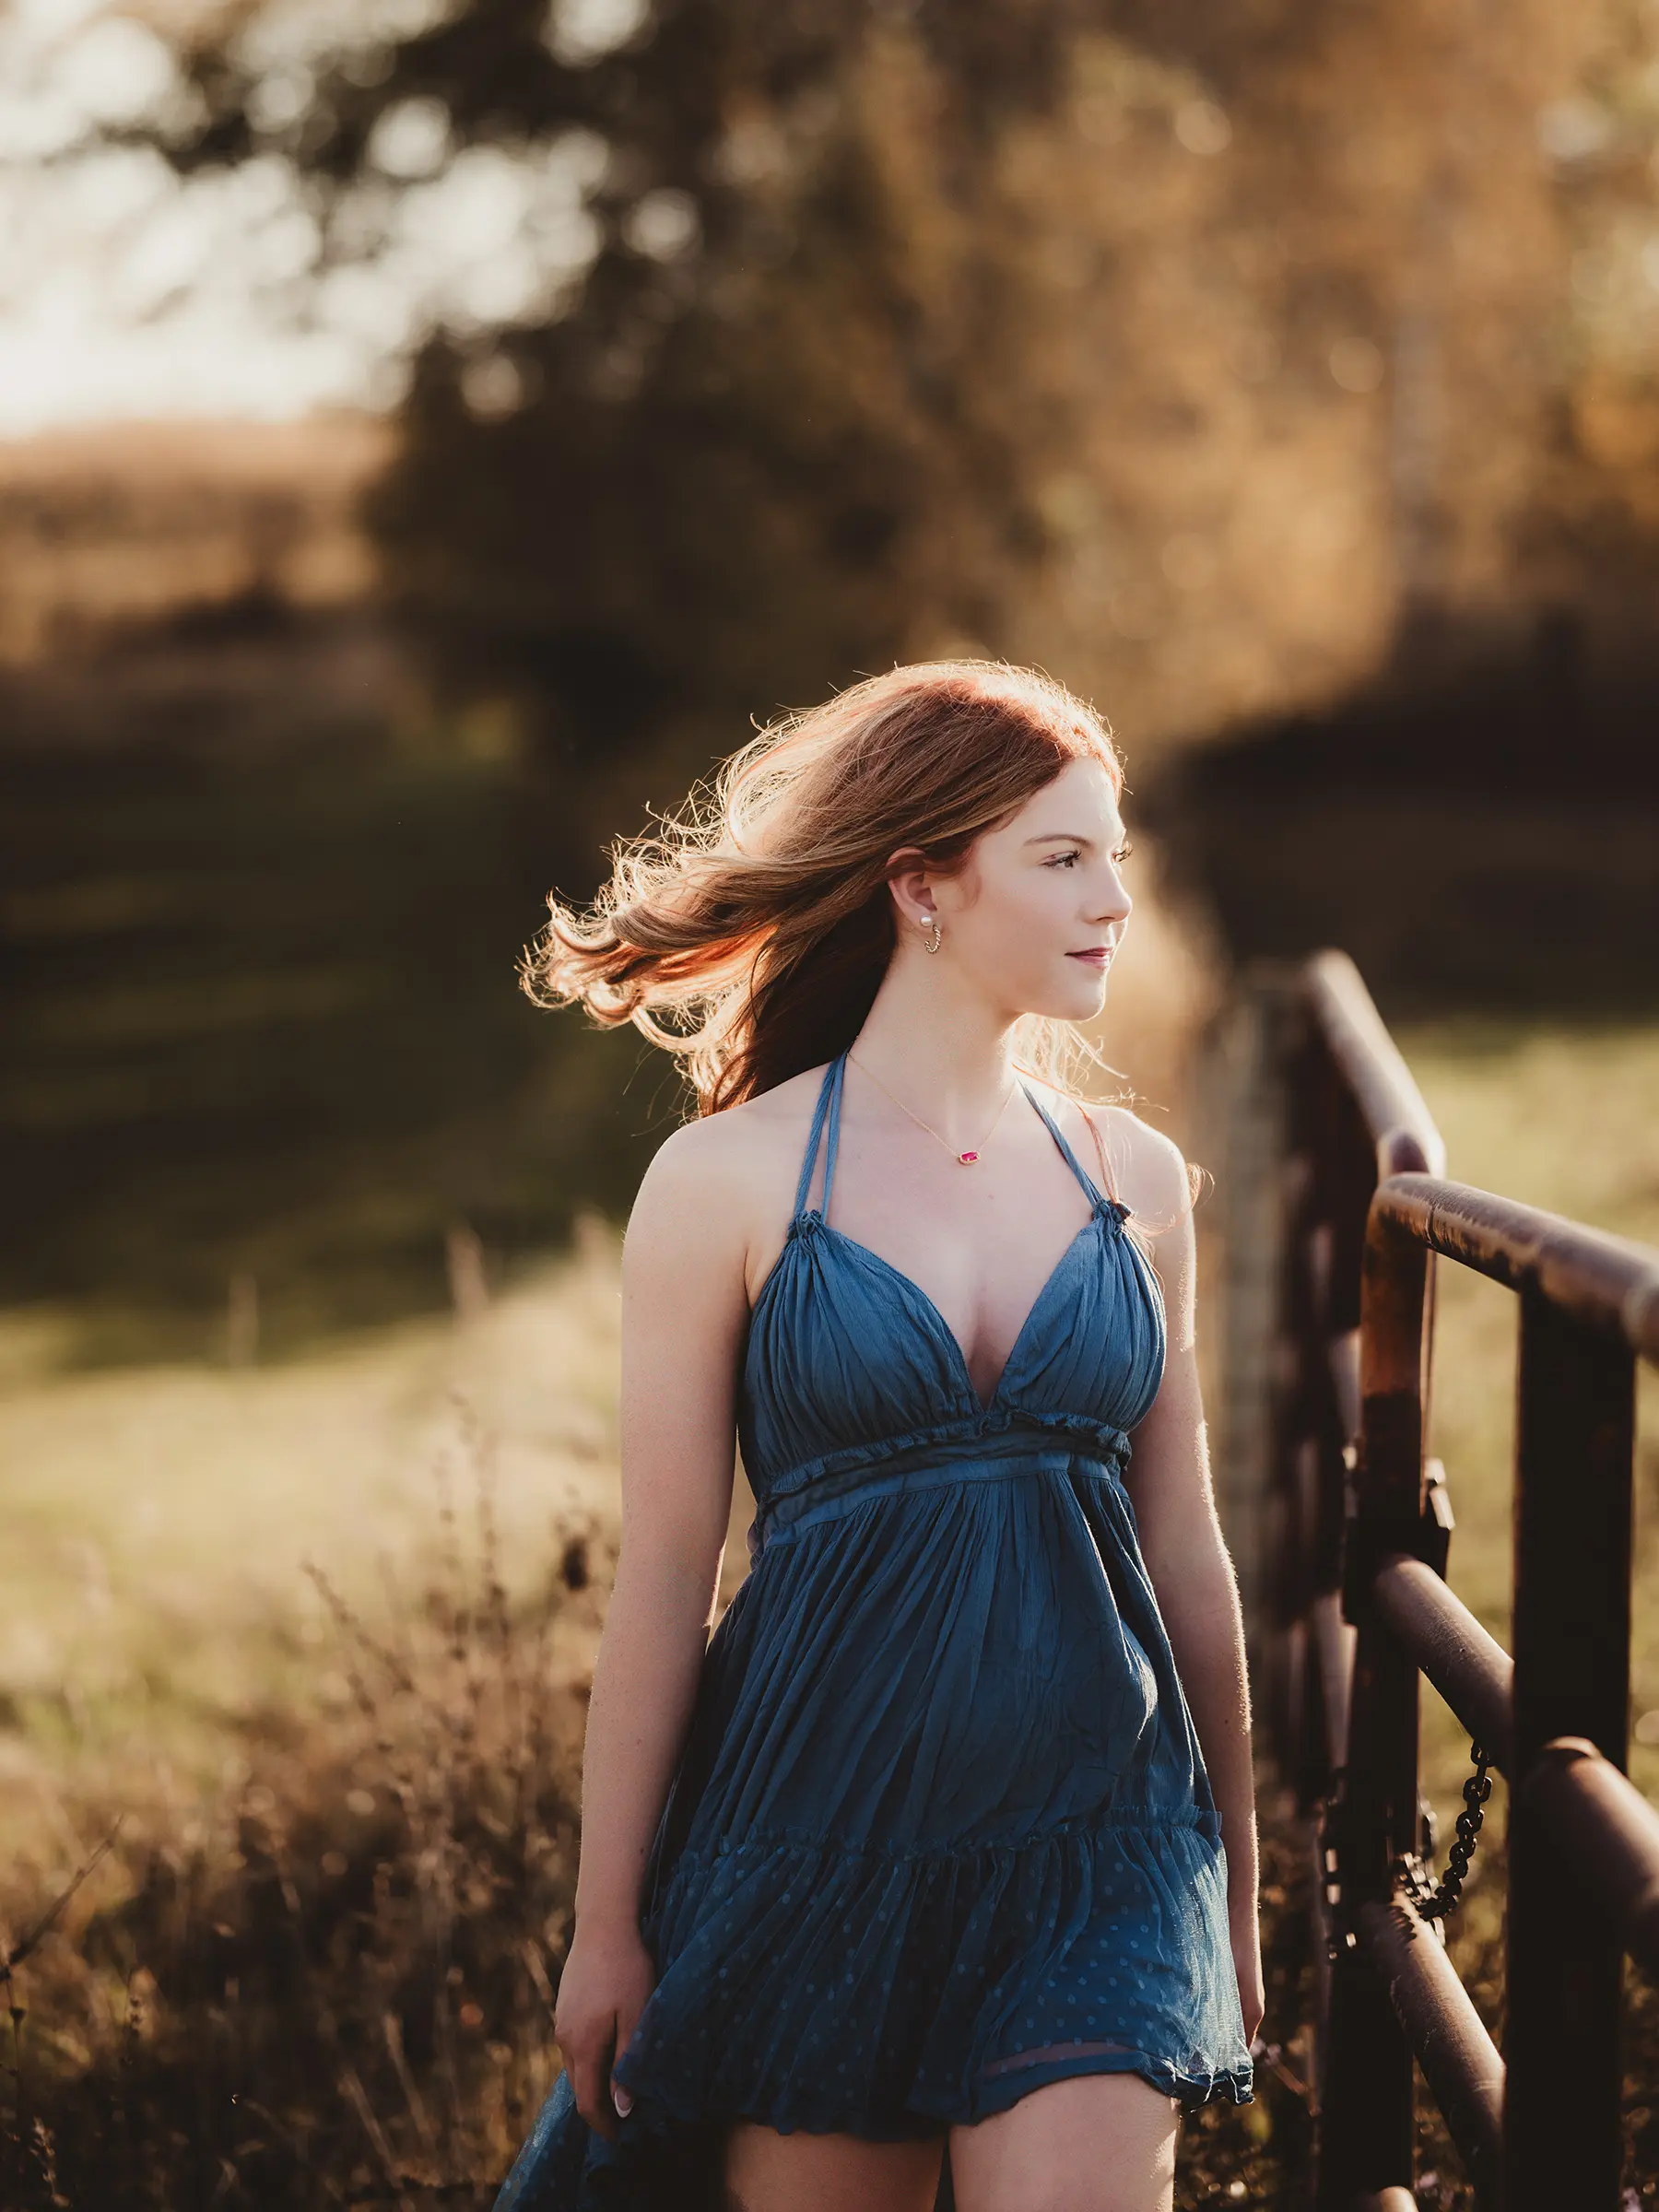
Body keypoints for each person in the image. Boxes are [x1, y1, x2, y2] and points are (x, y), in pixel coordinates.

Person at [494, 661, 1261, 2212]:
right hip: (817, 1851)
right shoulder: (725, 1187)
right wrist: (606, 1925)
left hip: (1100, 1849)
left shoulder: (1137, 1178)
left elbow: (1186, 1549)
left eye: (1116, 852)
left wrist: (1233, 1883)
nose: (1114, 896)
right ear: (920, 883)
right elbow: (664, 1583)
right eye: (1062, 857)